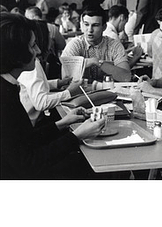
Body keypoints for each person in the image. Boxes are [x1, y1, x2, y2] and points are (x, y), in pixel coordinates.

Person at [0, 12, 106, 179]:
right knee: (97, 167)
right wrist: (77, 135)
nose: (38, 50)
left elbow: (26, 139)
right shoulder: (4, 100)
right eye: (33, 45)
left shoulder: (8, 85)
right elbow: (27, 164)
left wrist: (65, 122)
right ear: (16, 53)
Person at [61, 6, 131, 82]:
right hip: (81, 92)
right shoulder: (75, 44)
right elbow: (65, 78)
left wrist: (98, 62)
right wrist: (90, 62)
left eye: (95, 25)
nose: (90, 30)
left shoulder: (114, 45)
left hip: (109, 92)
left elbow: (126, 77)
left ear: (104, 27)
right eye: (86, 24)